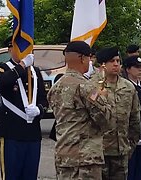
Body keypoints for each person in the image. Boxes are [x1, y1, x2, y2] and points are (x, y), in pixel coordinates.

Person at [47, 41, 112, 180]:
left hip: (63, 155)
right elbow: (104, 118)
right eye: (89, 58)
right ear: (82, 58)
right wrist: (104, 98)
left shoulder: (56, 87)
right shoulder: (85, 87)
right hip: (85, 159)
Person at [0, 36, 49, 180]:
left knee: (30, 174)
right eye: (18, 48)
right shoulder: (3, 67)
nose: (22, 52)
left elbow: (43, 98)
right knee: (12, 175)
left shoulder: (35, 71)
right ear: (10, 49)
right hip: (12, 132)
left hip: (32, 132)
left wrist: (39, 109)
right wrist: (22, 65)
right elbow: (3, 81)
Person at [91, 47, 141, 180]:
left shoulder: (128, 87)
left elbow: (135, 118)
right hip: (98, 151)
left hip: (121, 150)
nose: (116, 64)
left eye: (118, 61)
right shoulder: (92, 85)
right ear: (102, 65)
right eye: (111, 61)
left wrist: (130, 144)